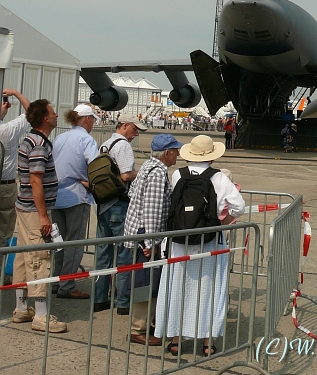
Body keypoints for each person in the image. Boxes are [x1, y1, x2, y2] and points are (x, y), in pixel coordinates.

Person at [154, 135, 245, 356]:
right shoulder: (219, 178)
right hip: (209, 242)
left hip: (179, 241)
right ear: (212, 156)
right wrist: (220, 224)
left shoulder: (177, 174)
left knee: (178, 288)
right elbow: (239, 207)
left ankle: (176, 340)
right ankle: (207, 342)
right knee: (209, 290)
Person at [12, 99, 67, 333]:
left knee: (24, 257)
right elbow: (36, 180)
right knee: (39, 258)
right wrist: (43, 216)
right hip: (34, 211)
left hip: (25, 208)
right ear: (45, 118)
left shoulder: (33, 139)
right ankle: (41, 315)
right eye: (53, 113)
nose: (56, 116)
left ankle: (22, 308)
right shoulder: (38, 143)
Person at [124, 132, 183, 345]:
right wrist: (151, 243)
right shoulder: (158, 174)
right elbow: (152, 211)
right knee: (145, 282)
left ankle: (143, 324)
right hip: (146, 235)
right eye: (175, 151)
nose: (177, 154)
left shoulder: (148, 167)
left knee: (145, 281)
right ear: (167, 153)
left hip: (139, 232)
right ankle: (138, 328)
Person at [93, 113, 148, 314]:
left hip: (103, 204)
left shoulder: (105, 145)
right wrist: (141, 172)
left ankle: (100, 298)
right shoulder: (123, 145)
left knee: (103, 254)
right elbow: (126, 174)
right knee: (125, 254)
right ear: (124, 125)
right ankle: (123, 302)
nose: (136, 134)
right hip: (119, 205)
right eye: (134, 129)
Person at [51, 104, 99, 299]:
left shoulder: (60, 138)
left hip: (56, 195)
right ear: (86, 119)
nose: (94, 123)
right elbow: (95, 166)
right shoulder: (86, 140)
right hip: (76, 195)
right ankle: (67, 285)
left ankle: (56, 280)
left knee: (59, 242)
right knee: (76, 242)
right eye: (93, 120)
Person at [0, 89, 30, 250]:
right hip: (5, 186)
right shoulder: (8, 130)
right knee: (3, 231)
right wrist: (17, 93)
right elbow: (30, 111)